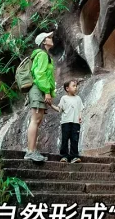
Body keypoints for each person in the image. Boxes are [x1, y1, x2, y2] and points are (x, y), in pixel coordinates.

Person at [25, 32, 56, 163]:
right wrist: (47, 92)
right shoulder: (42, 54)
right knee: (35, 120)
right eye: (49, 37)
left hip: (40, 90)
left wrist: (48, 93)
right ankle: (30, 152)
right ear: (43, 42)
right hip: (38, 89)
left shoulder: (45, 55)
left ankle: (32, 150)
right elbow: (40, 74)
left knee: (37, 121)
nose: (51, 39)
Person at [58, 78, 84, 163]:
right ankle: (64, 156)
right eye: (73, 86)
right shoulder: (64, 98)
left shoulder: (78, 98)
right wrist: (51, 105)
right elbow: (59, 109)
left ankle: (74, 156)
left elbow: (80, 109)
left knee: (75, 139)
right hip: (65, 122)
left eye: (76, 86)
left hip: (76, 122)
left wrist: (80, 116)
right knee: (65, 139)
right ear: (67, 88)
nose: (75, 87)